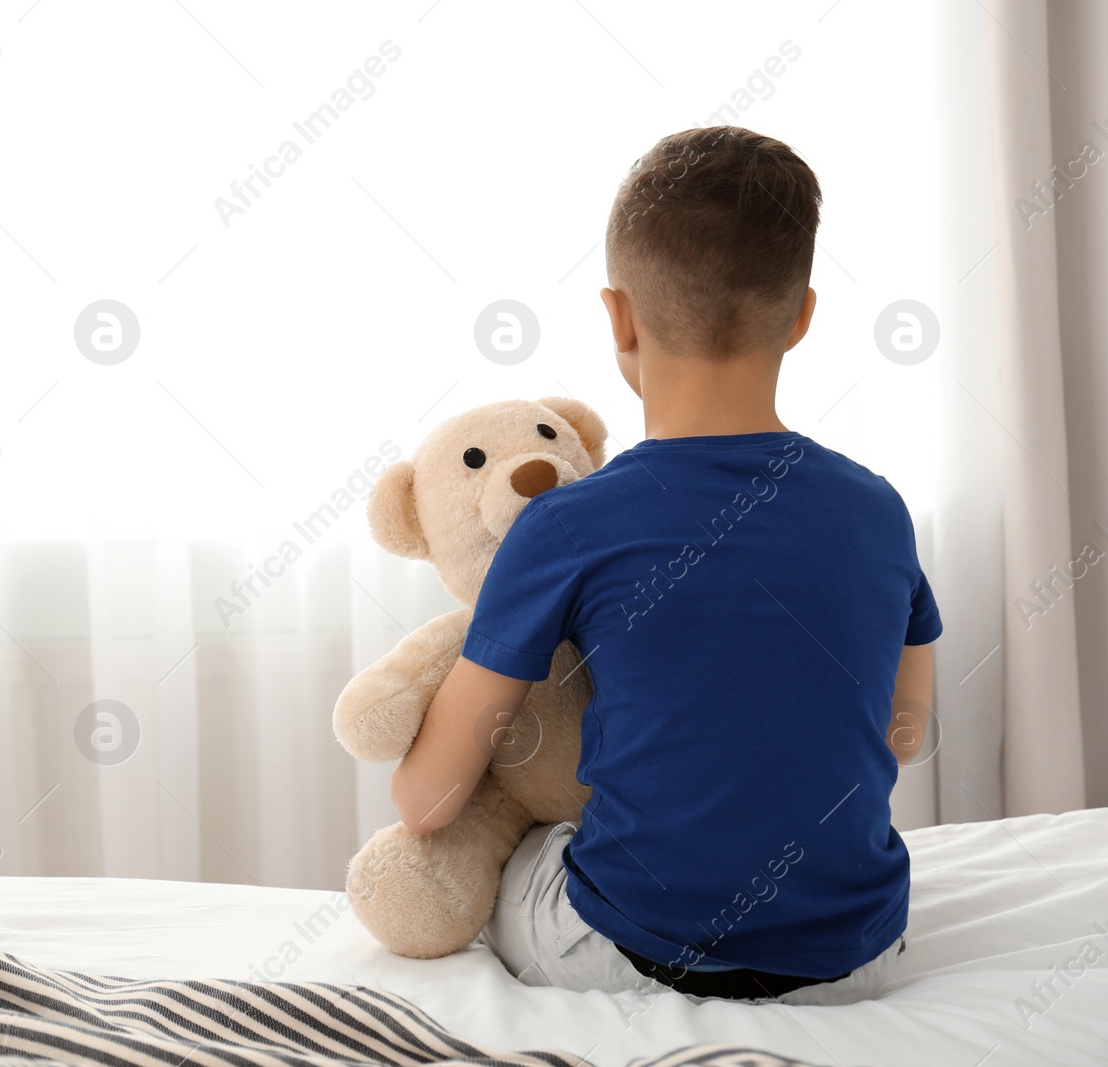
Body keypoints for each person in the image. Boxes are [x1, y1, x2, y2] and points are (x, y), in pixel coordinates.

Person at [388, 126, 940, 1006]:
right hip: (857, 957)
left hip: (634, 951)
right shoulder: (879, 509)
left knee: (519, 844)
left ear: (619, 315)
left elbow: (428, 798)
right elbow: (903, 734)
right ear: (801, 315)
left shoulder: (568, 524)